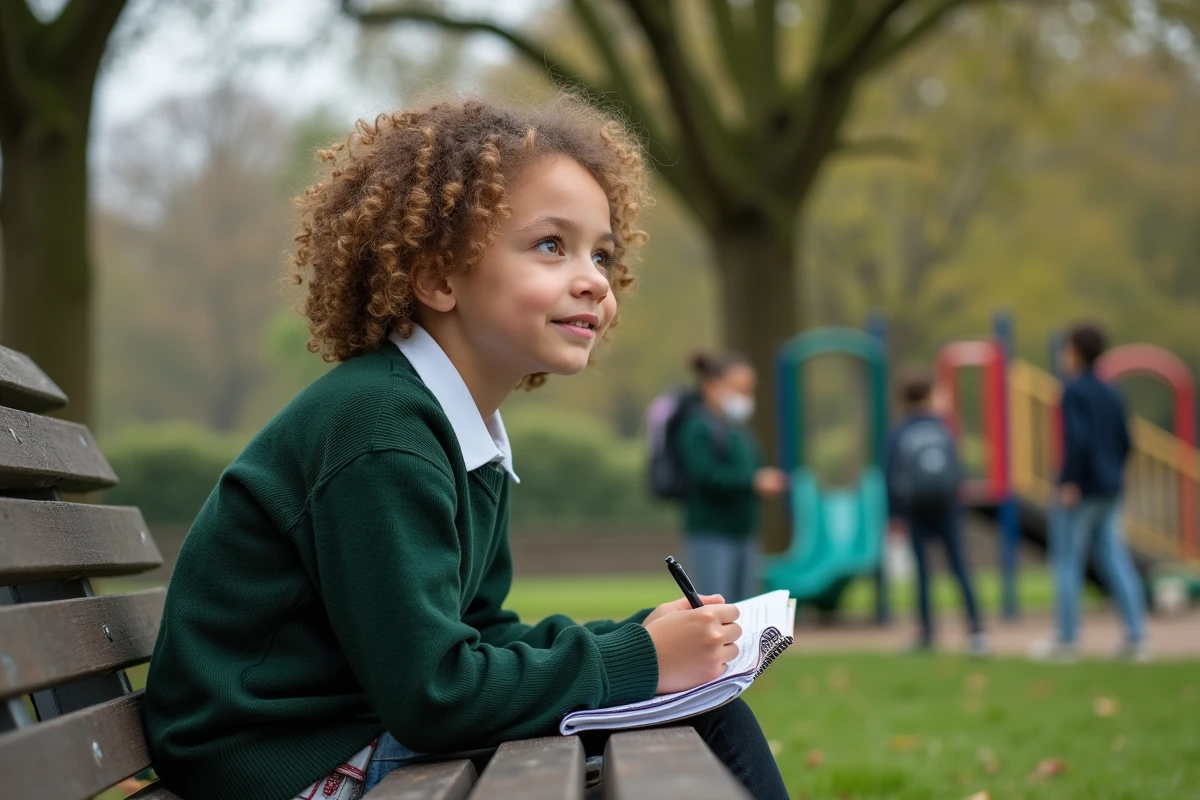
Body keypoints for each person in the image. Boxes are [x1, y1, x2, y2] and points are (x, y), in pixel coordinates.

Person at [141, 97, 789, 800]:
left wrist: (638, 637)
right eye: (552, 245)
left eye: (602, 253)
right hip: (272, 763)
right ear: (438, 278)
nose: (595, 279)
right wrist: (636, 659)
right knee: (709, 728)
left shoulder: (460, 429)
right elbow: (437, 694)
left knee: (698, 718)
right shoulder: (381, 429)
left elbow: (479, 632)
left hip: (341, 732)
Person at [1031, 322, 1148, 662]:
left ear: (1075, 351)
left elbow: (1076, 440)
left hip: (1080, 489)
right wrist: (1112, 472)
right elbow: (1127, 440)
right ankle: (1137, 637)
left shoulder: (1074, 390)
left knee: (1067, 561)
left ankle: (1067, 641)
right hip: (1110, 488)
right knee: (1115, 559)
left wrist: (1069, 481)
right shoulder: (1112, 390)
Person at [884, 369, 986, 656]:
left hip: (915, 508)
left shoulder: (899, 431)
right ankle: (977, 630)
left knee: (923, 574)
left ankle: (927, 633)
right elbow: (956, 467)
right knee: (959, 568)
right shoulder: (944, 426)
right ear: (930, 395)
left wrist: (894, 516)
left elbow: (889, 474)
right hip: (947, 508)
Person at [673, 351, 787, 603]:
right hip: (712, 532)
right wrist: (752, 482)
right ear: (712, 387)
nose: (746, 399)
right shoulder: (698, 427)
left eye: (749, 391)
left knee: (743, 609)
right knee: (716, 604)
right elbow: (705, 475)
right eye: (738, 390)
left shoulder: (738, 430)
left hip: (744, 531)